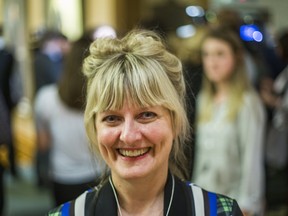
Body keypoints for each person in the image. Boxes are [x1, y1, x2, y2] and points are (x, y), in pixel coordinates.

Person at [48, 29, 243, 215]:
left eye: (146, 115)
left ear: (175, 121)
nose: (129, 136)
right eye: (112, 118)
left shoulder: (220, 211)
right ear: (94, 128)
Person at [192, 27, 266, 215]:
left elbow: (252, 159)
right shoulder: (204, 100)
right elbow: (202, 159)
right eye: (206, 54)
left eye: (220, 54)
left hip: (234, 204)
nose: (212, 62)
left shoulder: (247, 103)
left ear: (236, 57)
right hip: (205, 202)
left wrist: (246, 205)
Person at [34, 35, 103, 206]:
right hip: (100, 173)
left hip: (63, 176)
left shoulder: (45, 97)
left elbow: (43, 143)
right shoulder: (105, 98)